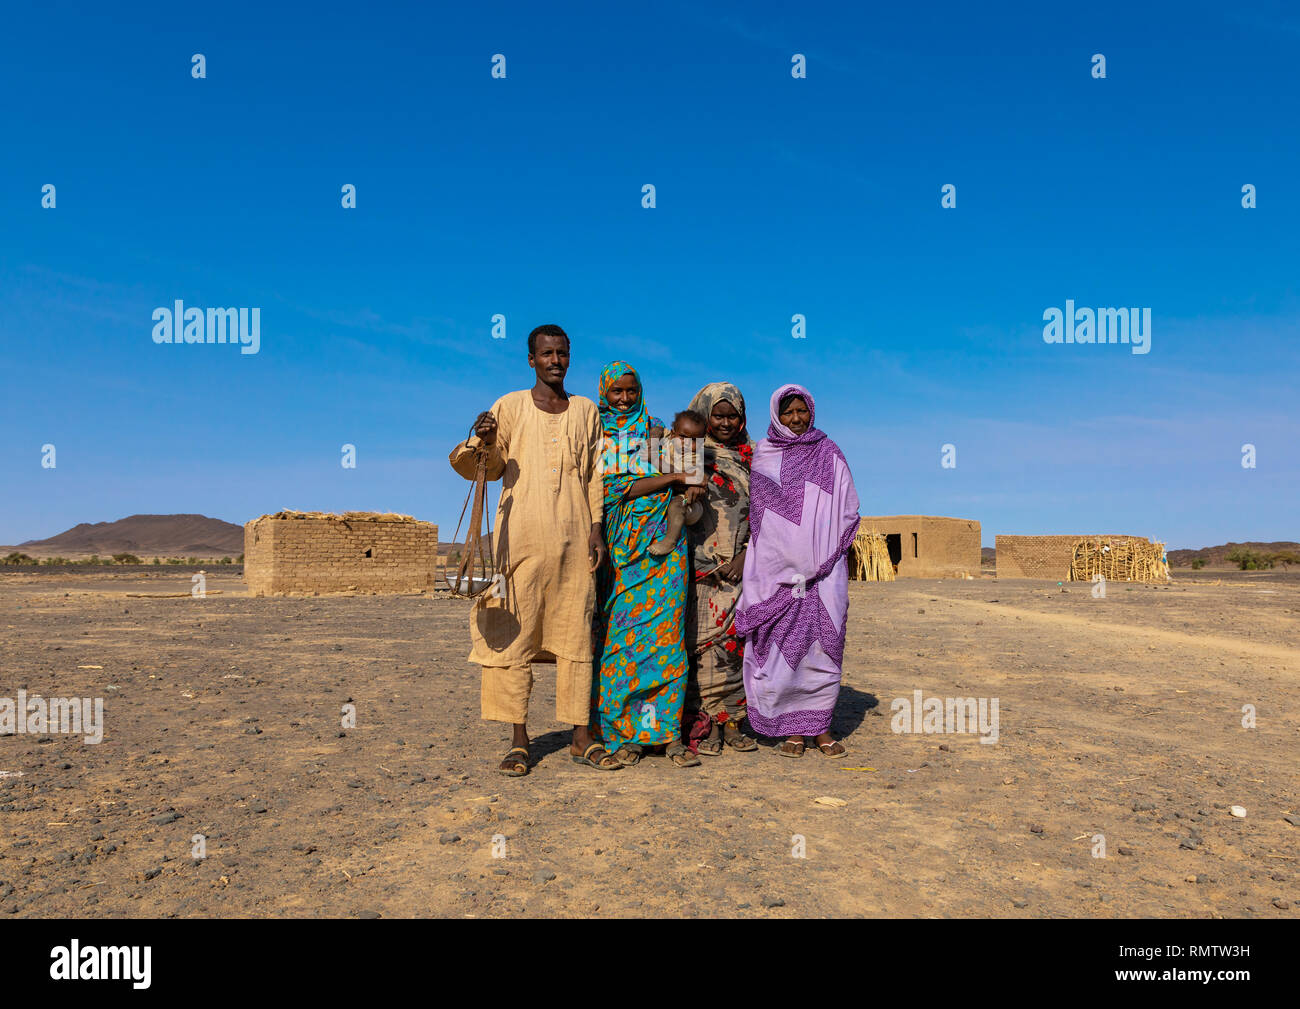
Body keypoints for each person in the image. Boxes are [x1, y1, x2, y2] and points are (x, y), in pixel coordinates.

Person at [448, 324, 621, 775]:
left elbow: (594, 475)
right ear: (531, 359)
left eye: (562, 353)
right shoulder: (508, 406)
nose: (555, 361)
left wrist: (596, 528)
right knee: (513, 636)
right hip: (518, 544)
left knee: (576, 634)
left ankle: (581, 737)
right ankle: (519, 741)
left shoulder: (586, 411)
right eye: (546, 354)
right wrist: (482, 438)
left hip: (573, 542)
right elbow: (485, 467)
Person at [734, 384, 860, 758]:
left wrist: (822, 551)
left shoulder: (828, 452)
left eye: (801, 411)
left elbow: (848, 505)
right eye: (787, 412)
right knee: (779, 649)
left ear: (812, 411)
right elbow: (760, 521)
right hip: (777, 576)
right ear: (776, 414)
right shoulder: (763, 455)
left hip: (824, 575)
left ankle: (820, 727)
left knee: (824, 650)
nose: (795, 418)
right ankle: (792, 731)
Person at [591, 361, 699, 767]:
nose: (624, 398)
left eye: (630, 391)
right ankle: (624, 733)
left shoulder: (656, 431)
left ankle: (668, 735)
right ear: (605, 392)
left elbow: (690, 473)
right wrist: (670, 480)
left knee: (667, 640)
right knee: (622, 645)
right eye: (616, 391)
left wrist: (678, 481)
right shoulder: (595, 432)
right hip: (621, 549)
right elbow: (610, 487)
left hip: (667, 551)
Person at [683, 381, 758, 756]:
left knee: (733, 648)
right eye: (718, 415)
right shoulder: (687, 453)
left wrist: (746, 558)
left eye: (733, 416)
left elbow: (768, 518)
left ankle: (733, 720)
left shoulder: (755, 459)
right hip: (697, 569)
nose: (726, 423)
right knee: (700, 647)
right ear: (704, 415)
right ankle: (705, 722)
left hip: (740, 568)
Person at [647, 409, 707, 557]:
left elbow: (674, 473)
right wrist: (655, 435)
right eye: (683, 437)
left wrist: (654, 458)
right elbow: (659, 429)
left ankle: (670, 540)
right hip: (673, 493)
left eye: (694, 440)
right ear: (674, 434)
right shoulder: (670, 439)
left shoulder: (694, 457)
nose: (687, 443)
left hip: (690, 503)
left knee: (676, 505)